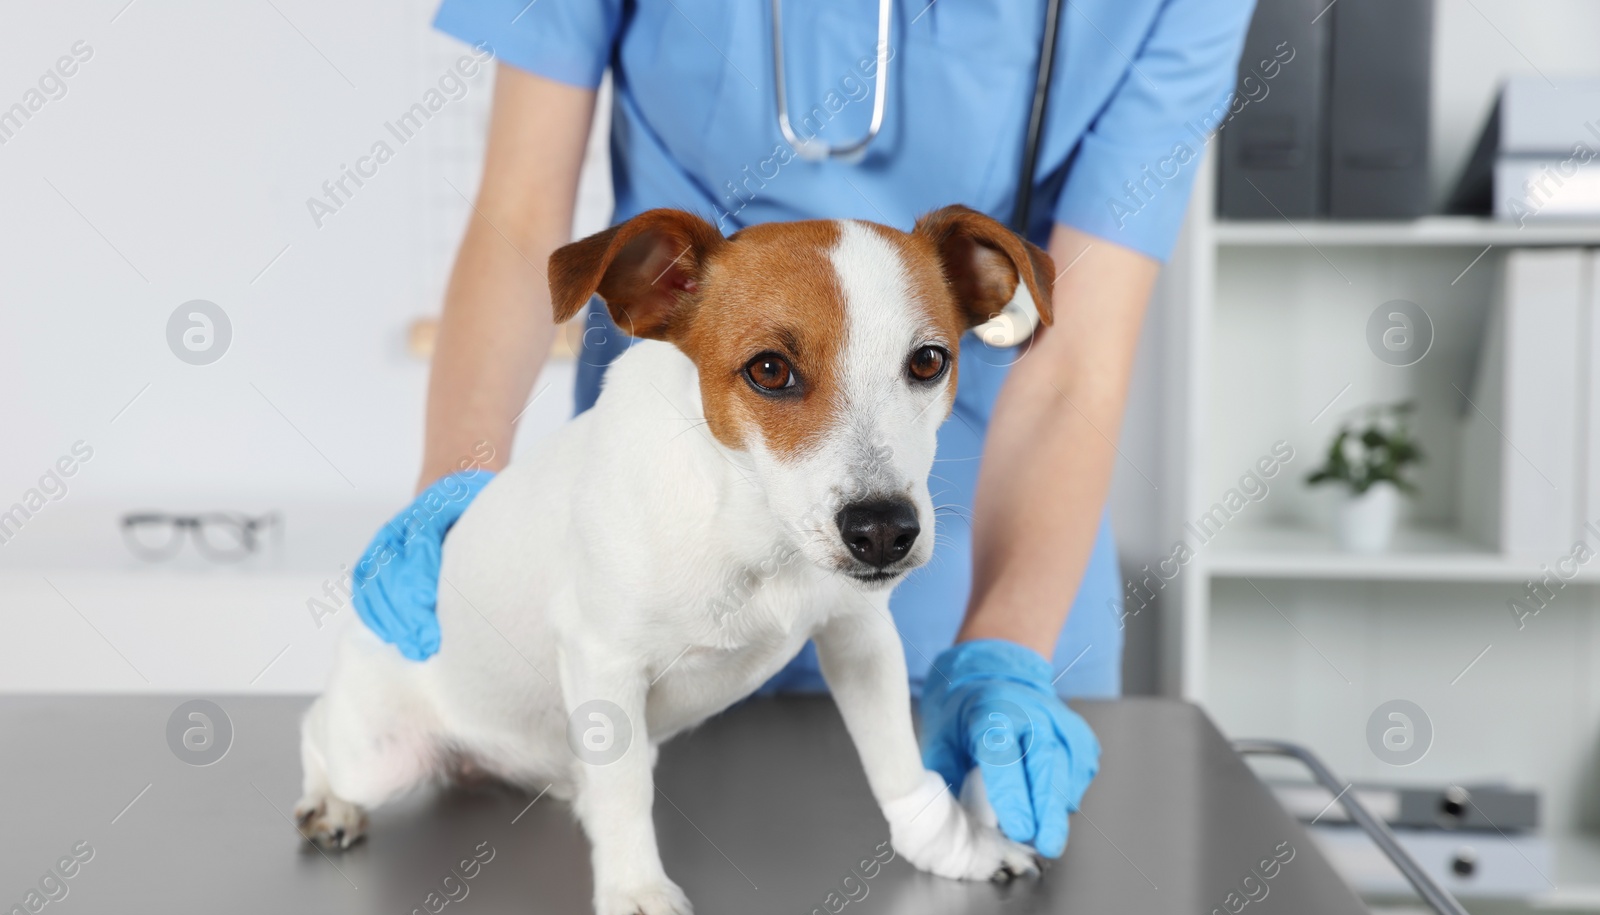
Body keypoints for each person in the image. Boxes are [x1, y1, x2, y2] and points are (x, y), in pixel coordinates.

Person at [354, 0, 1255, 860]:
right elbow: (520, 222)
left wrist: (1005, 652)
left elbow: (1074, 356)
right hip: (665, 564)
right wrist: (461, 490)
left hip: (969, 582)